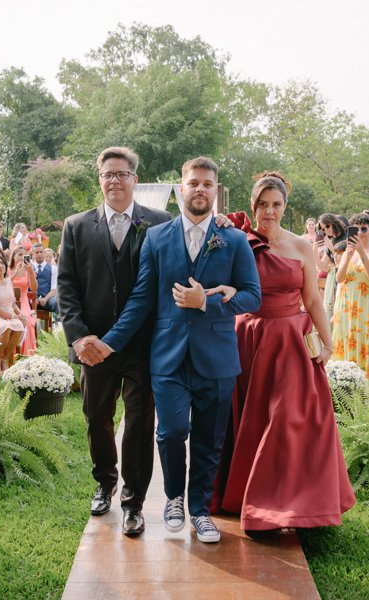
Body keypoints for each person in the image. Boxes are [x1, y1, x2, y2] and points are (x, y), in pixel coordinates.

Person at [85, 156, 261, 544]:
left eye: (207, 184)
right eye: (193, 182)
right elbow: (142, 298)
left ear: (216, 191)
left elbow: (252, 296)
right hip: (167, 357)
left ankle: (199, 509)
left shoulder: (232, 239)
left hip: (217, 357)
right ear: (181, 188)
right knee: (171, 431)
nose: (200, 189)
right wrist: (109, 342)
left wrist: (208, 303)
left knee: (208, 438)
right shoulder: (157, 237)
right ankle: (173, 499)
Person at [212, 172, 355, 533]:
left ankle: (293, 505)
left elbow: (313, 300)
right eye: (263, 205)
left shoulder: (302, 246)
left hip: (292, 339)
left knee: (293, 417)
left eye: (276, 205)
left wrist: (328, 341)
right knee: (252, 417)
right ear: (253, 206)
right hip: (249, 337)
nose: (269, 212)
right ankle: (249, 498)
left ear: (285, 207)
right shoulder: (236, 241)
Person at [57, 147, 172, 537]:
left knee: (140, 424)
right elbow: (67, 287)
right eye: (108, 175)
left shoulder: (159, 222)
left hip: (142, 345)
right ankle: (104, 481)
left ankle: (134, 501)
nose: (115, 181)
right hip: (93, 346)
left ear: (135, 179)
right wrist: (78, 338)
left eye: (123, 174)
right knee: (97, 417)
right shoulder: (75, 226)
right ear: (100, 180)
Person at [332, 212, 369, 396]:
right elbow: (339, 278)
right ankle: (344, 391)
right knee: (346, 340)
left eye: (364, 229)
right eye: (356, 229)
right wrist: (348, 257)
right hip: (347, 305)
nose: (360, 232)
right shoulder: (346, 252)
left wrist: (362, 253)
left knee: (367, 342)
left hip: (367, 306)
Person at [0, 253, 25, 372]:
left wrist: (20, 314)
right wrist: (13, 316)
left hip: (10, 315)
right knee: (6, 327)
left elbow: (12, 303)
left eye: (2, 263)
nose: (0, 266)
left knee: (18, 325)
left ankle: (4, 360)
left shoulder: (8, 281)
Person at [315, 213, 346, 323]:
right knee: (330, 312)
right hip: (332, 278)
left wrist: (332, 249)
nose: (326, 230)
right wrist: (315, 250)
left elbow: (346, 262)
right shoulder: (330, 241)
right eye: (323, 228)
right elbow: (322, 266)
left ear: (334, 223)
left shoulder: (346, 238)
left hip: (344, 278)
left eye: (327, 226)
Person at [9, 245, 39, 355]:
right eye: (19, 254)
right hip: (8, 302)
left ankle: (24, 351)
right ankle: (9, 350)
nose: (22, 257)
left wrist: (31, 272)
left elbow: (34, 288)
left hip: (23, 300)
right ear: (13, 256)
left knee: (24, 318)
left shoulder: (28, 271)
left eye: (24, 255)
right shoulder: (7, 269)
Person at [30, 244, 58, 314]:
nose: (39, 254)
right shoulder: (28, 268)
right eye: (37, 252)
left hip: (47, 298)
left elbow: (54, 289)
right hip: (31, 298)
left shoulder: (53, 269)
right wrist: (32, 299)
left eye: (41, 252)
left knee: (56, 302)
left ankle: (58, 323)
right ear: (33, 254)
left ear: (44, 253)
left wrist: (45, 299)